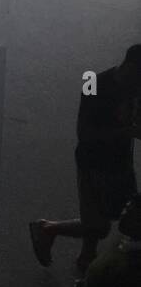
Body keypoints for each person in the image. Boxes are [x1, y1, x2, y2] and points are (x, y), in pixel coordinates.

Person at [30, 45, 141, 274]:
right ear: (130, 67)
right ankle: (53, 233)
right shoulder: (95, 85)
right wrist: (126, 132)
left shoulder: (134, 88)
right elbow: (85, 134)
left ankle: (81, 252)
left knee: (110, 216)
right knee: (99, 226)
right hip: (93, 163)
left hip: (119, 162)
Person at [81, 194, 141, 287]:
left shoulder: (132, 270)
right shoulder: (126, 239)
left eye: (130, 213)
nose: (123, 214)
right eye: (126, 208)